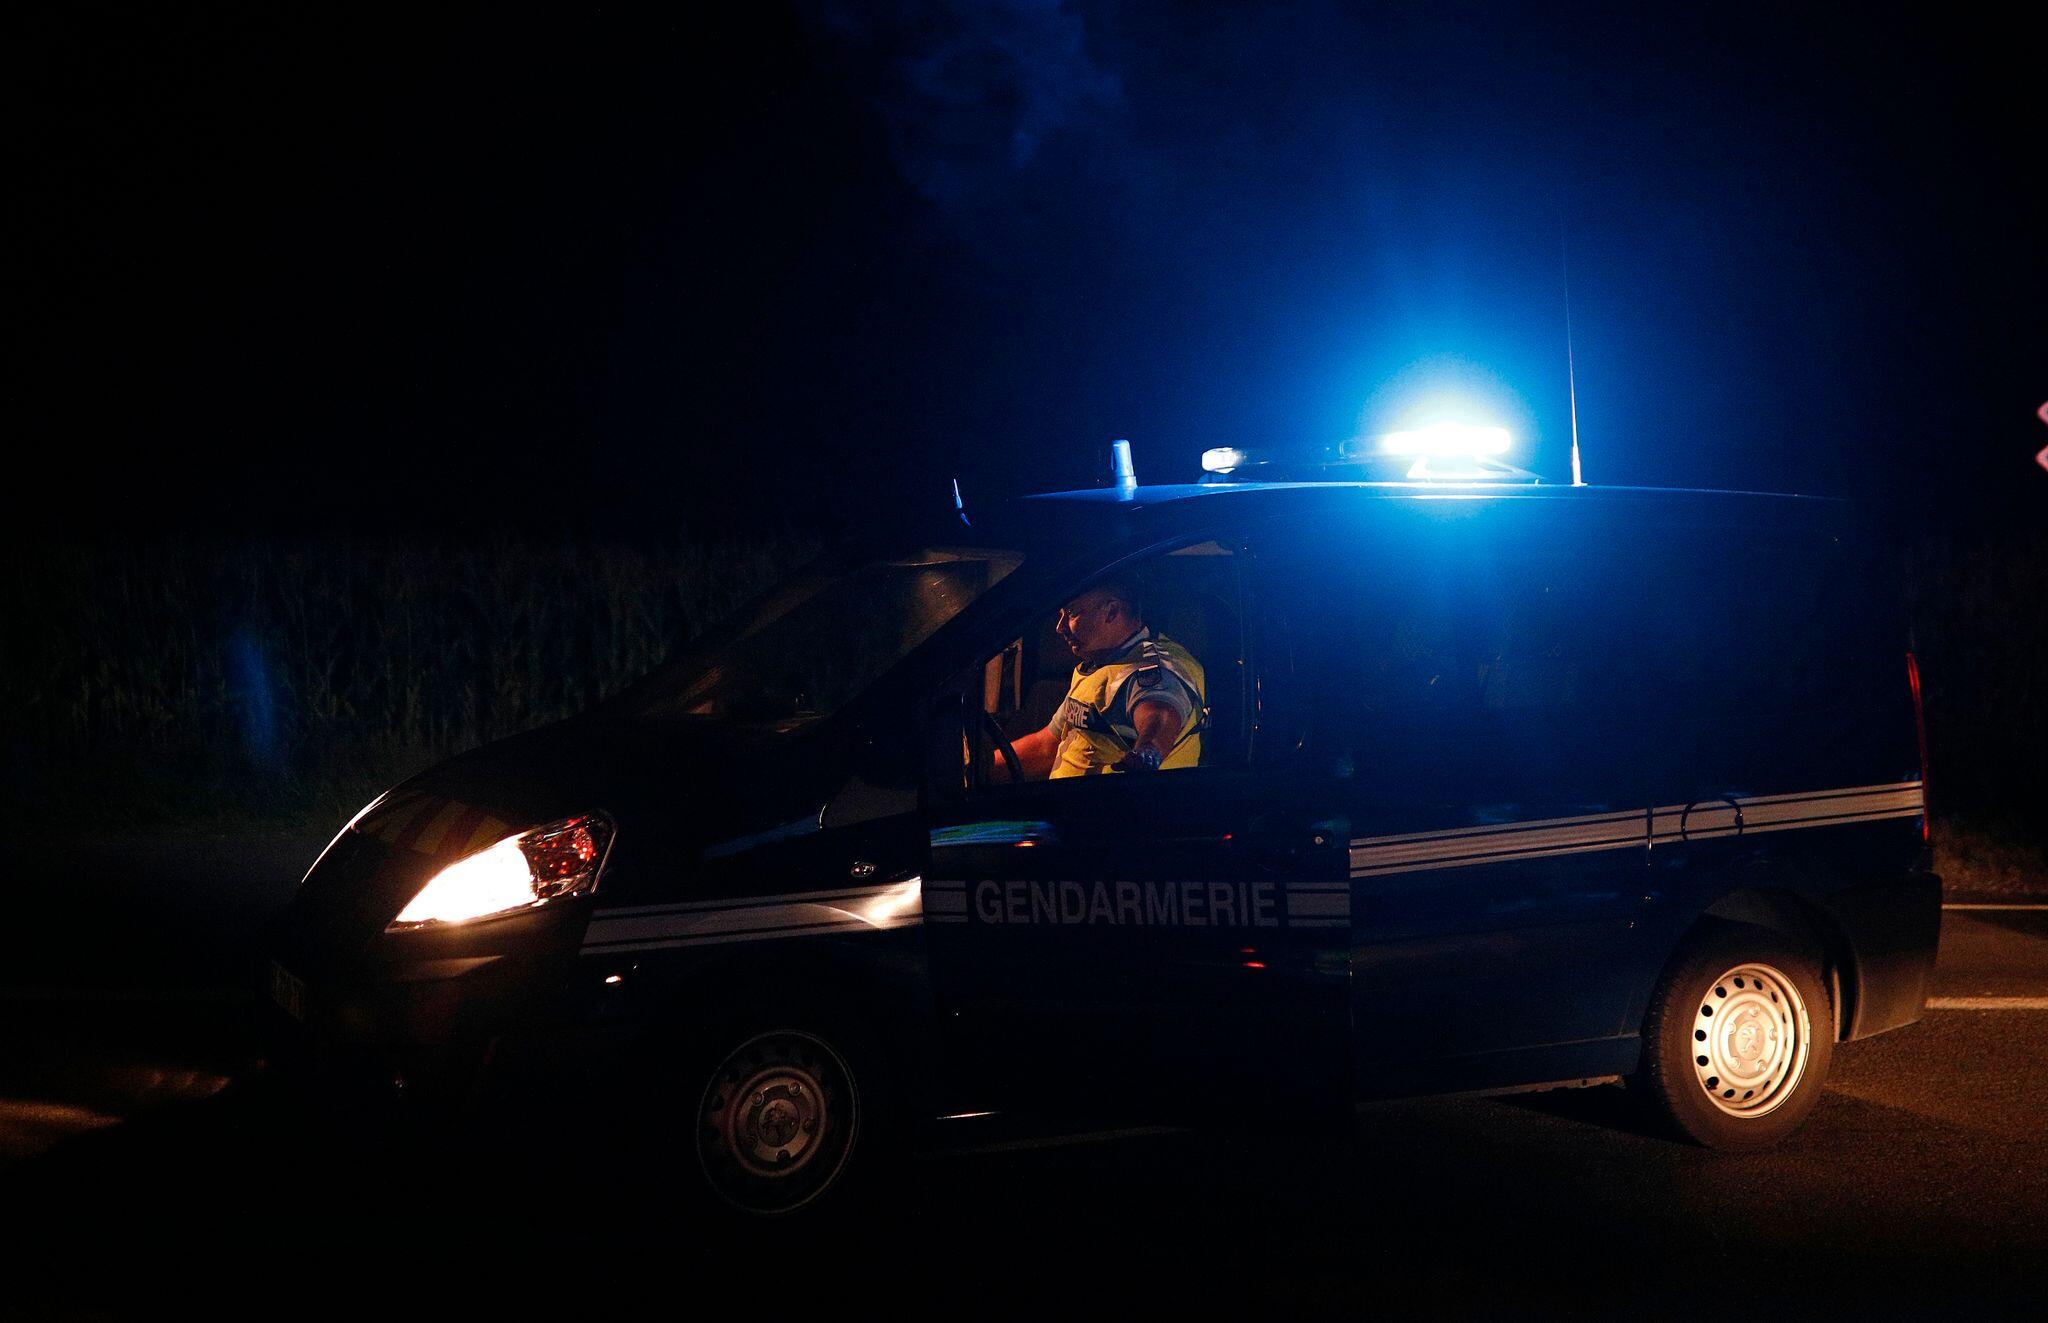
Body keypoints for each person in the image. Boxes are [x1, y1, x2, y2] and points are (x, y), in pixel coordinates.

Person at [998, 578, 1206, 779]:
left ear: (1112, 612)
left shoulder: (1152, 669)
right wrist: (982, 766)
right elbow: (1046, 747)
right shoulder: (1100, 665)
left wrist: (1148, 751)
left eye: (1072, 613)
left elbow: (1160, 714)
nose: (1059, 627)